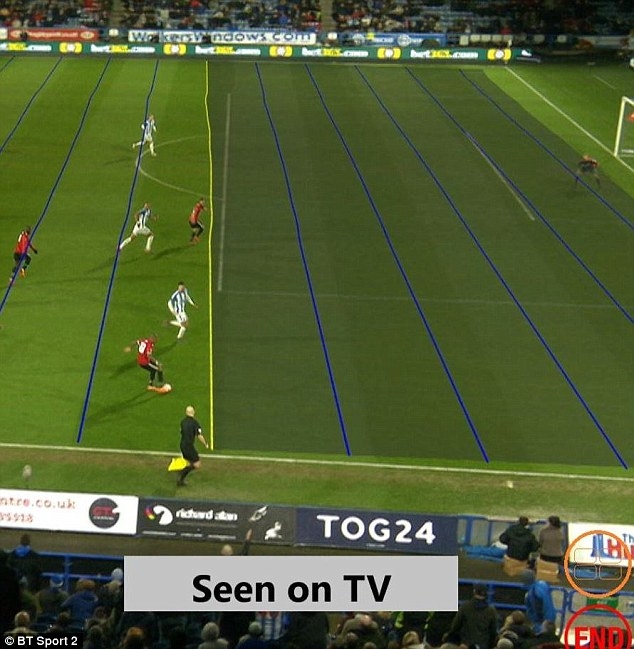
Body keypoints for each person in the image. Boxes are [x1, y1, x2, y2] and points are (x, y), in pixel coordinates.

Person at [448, 584, 498, 649]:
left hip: (465, 645)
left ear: (474, 592)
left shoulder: (465, 607)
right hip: (483, 646)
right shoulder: (491, 610)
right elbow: (493, 631)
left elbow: (455, 626)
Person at [177, 405, 208, 486]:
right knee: (197, 464)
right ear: (193, 412)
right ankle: (181, 475)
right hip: (189, 447)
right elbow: (199, 436)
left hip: (182, 445)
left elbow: (181, 432)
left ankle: (181, 478)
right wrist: (205, 443)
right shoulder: (195, 423)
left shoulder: (183, 422)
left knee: (189, 462)